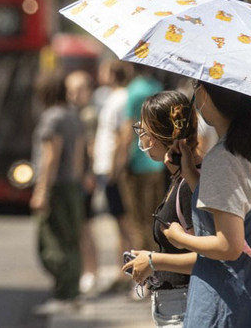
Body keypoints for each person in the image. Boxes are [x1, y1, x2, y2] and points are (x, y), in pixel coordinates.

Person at [130, 81, 251, 327]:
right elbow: (232, 209)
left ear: (204, 95)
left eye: (196, 87)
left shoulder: (223, 158)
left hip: (229, 303)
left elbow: (229, 245)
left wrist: (178, 238)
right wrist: (192, 177)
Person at [125, 90, 200, 327]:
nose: (142, 139)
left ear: (158, 135)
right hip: (175, 306)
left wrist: (153, 261)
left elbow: (210, 257)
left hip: (184, 309)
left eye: (144, 130)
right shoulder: (182, 177)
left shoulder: (190, 185)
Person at [30, 71, 86, 315]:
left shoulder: (51, 118)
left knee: (52, 243)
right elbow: (79, 154)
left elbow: (50, 156)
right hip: (73, 185)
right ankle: (71, 293)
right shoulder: (73, 116)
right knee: (72, 240)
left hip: (57, 187)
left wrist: (42, 190)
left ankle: (64, 294)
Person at [91, 61, 135, 292]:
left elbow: (123, 134)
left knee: (125, 221)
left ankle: (133, 273)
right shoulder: (112, 97)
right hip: (103, 165)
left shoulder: (121, 98)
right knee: (118, 222)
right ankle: (124, 271)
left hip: (110, 167)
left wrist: (115, 167)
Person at [115, 65, 166, 252]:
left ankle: (143, 268)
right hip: (157, 162)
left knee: (137, 220)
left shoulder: (133, 90)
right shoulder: (157, 86)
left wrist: (118, 164)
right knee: (155, 217)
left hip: (137, 162)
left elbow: (128, 131)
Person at [64, 70, 99, 295]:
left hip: (84, 177)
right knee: (77, 227)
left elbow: (91, 146)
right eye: (70, 90)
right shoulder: (71, 114)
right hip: (74, 176)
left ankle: (91, 272)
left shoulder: (88, 116)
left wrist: (89, 174)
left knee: (85, 227)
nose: (73, 94)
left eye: (78, 89)